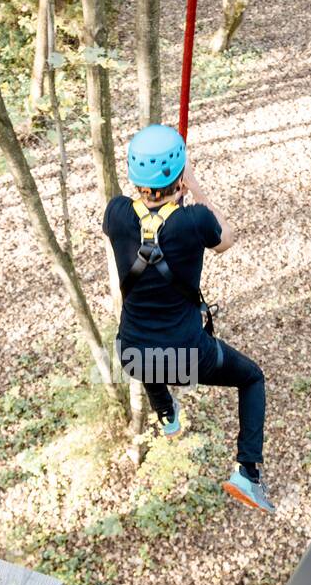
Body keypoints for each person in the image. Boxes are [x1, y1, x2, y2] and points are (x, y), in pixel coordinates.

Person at [102, 124, 274, 514]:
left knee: (143, 354)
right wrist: (193, 185)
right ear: (178, 175)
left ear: (134, 176)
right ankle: (247, 471)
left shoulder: (115, 213)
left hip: (131, 349)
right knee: (252, 377)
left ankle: (167, 415)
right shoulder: (194, 221)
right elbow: (225, 240)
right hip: (186, 353)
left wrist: (166, 202)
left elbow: (134, 232)